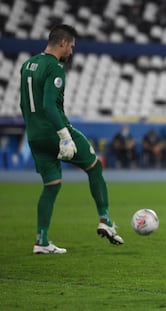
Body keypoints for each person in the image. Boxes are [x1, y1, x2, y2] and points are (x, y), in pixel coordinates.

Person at [19, 24, 124, 254]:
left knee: (51, 186)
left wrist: (35, 129)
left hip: (34, 135)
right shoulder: (55, 68)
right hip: (54, 131)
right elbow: (48, 105)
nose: (71, 52)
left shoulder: (27, 65)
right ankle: (105, 219)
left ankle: (41, 241)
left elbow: (23, 104)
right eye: (72, 47)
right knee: (94, 167)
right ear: (63, 43)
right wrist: (64, 136)